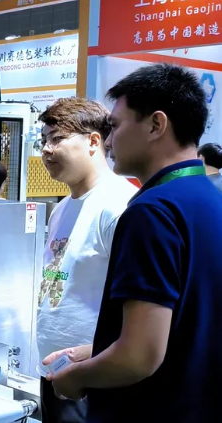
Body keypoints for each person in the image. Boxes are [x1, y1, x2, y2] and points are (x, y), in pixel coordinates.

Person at [46, 63, 222, 422]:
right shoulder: (209, 198)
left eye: (115, 127)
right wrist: (94, 351)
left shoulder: (152, 211)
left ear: (156, 125)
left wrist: (75, 379)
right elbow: (180, 325)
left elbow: (139, 356)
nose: (109, 142)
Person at [35, 97, 138, 423]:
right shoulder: (62, 207)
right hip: (54, 371)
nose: (46, 149)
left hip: (95, 376)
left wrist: (95, 353)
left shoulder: (119, 205)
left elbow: (141, 308)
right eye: (43, 140)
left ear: (94, 141)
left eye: (57, 139)